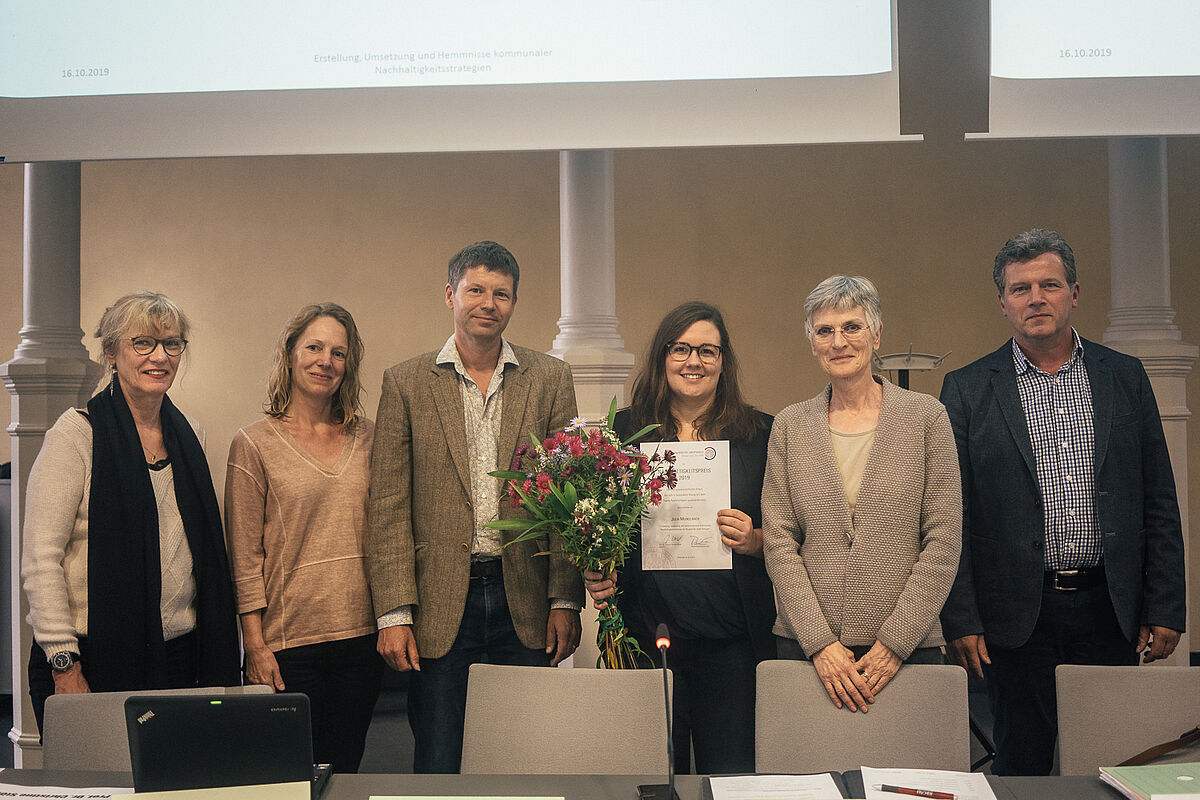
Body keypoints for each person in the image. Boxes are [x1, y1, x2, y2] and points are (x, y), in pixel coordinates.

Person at [938, 228, 1186, 775]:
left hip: (1109, 606)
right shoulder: (967, 389)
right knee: (1021, 764)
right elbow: (950, 517)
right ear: (1002, 303)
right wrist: (961, 617)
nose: (1036, 298)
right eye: (1020, 288)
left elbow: (1158, 499)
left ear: (1075, 293)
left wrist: (1165, 603)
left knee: (1112, 759)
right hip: (1015, 613)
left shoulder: (1124, 377)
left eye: (1049, 284)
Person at [367, 240, 584, 773]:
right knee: (440, 759)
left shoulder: (550, 378)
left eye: (502, 294)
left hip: (526, 599)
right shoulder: (406, 382)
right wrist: (394, 612)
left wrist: (564, 598)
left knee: (525, 755)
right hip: (443, 600)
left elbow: (568, 500)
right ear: (450, 295)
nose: (489, 303)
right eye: (476, 290)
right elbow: (388, 505)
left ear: (513, 303)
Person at [21, 291, 239, 733]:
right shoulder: (77, 435)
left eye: (172, 343)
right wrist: (64, 665)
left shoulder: (190, 434)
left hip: (180, 660)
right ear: (111, 353)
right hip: (91, 661)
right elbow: (40, 561)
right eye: (143, 343)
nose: (160, 356)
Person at [583, 301, 775, 775]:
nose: (694, 361)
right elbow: (598, 526)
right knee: (650, 776)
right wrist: (594, 567)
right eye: (681, 349)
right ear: (662, 356)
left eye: (708, 351)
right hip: (646, 636)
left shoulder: (759, 433)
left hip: (732, 643)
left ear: (724, 361)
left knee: (729, 777)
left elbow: (797, 534)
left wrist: (755, 539)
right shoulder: (625, 431)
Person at [762, 275, 961, 713]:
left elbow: (943, 541)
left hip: (908, 651)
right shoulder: (790, 426)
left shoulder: (926, 417)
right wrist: (819, 644)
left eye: (852, 326)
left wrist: (895, 643)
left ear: (876, 334)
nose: (839, 341)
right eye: (824, 330)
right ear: (812, 343)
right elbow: (778, 543)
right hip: (808, 652)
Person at [225, 303, 382, 773]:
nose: (325, 360)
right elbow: (244, 555)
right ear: (290, 354)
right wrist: (254, 644)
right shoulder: (253, 444)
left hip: (362, 638)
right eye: (313, 347)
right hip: (288, 645)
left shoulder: (372, 438)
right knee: (288, 776)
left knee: (343, 769)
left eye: (338, 352)